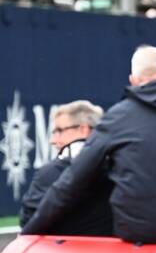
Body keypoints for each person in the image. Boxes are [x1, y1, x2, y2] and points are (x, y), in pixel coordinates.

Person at [22, 46, 156, 251]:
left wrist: (28, 232)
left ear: (133, 80)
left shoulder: (117, 117)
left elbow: (71, 181)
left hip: (136, 229)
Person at [19, 100, 113, 236]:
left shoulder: (49, 173)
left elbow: (27, 222)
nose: (52, 140)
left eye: (59, 131)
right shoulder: (120, 170)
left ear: (83, 129)